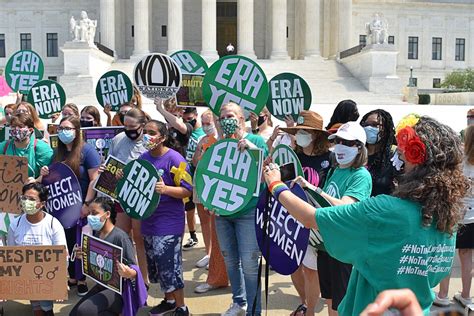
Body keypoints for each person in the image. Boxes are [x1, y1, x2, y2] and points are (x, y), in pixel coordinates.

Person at [263, 116, 468, 315]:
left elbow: (311, 217)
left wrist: (276, 185)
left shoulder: (385, 210)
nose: (399, 162)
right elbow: (435, 275)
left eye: (403, 158)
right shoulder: (447, 218)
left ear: (415, 158)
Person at [293, 121, 372, 315]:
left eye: (347, 142)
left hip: (344, 250)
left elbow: (345, 206)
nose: (340, 146)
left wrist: (314, 189)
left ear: (359, 148)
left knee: (342, 305)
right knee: (330, 300)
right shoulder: (335, 170)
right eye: (337, 141)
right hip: (326, 246)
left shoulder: (361, 175)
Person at [215, 102, 268, 316]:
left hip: (248, 212)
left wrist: (253, 150)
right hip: (222, 213)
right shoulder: (219, 144)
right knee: (230, 259)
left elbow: (267, 173)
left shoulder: (255, 140)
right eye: (222, 116)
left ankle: (254, 312)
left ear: (241, 119)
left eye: (230, 115)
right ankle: (239, 302)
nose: (226, 120)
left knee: (249, 263)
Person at [39, 115, 101, 296]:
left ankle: (82, 279)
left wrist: (87, 205)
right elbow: (51, 178)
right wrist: (44, 173)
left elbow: (94, 180)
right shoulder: (56, 152)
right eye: (60, 129)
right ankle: (72, 277)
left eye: (67, 128)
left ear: (77, 131)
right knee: (66, 242)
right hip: (62, 206)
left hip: (81, 206)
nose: (63, 132)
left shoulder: (87, 151)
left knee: (80, 243)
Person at [138, 120, 192, 316]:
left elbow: (188, 191)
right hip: (148, 221)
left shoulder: (175, 159)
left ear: (162, 137)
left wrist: (166, 189)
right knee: (157, 267)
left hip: (169, 223)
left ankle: (182, 307)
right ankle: (169, 301)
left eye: (151, 132)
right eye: (145, 132)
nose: (147, 136)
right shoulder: (143, 158)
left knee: (170, 265)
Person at [280, 111, 331, 316]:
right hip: (293, 221)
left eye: (305, 131)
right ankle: (304, 303)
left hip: (317, 223)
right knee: (294, 265)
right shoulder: (292, 157)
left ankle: (310, 309)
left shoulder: (331, 159)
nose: (300, 135)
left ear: (316, 135)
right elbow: (281, 186)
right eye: (298, 131)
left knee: (312, 271)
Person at [69, 197, 147, 316]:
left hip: (119, 291)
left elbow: (135, 270)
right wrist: (84, 255)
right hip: (102, 285)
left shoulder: (120, 237)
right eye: (89, 213)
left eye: (94, 213)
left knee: (84, 311)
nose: (90, 217)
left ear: (107, 214)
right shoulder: (96, 234)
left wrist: (128, 272)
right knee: (74, 314)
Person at [7, 182, 67, 316]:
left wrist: (60, 284)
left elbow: (63, 257)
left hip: (48, 277)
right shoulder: (15, 225)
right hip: (26, 277)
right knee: (37, 309)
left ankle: (47, 308)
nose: (26, 202)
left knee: (46, 307)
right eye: (24, 198)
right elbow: (10, 255)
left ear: (42, 204)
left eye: (32, 199)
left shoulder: (53, 225)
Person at [106, 108, 149, 285]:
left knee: (139, 238)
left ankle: (143, 280)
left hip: (140, 198)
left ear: (142, 125)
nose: (129, 129)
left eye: (133, 126)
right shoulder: (117, 140)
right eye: (126, 126)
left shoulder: (148, 143)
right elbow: (110, 164)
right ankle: (123, 277)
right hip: (120, 197)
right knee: (122, 237)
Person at [435, 124, 473, 308]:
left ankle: (443, 294)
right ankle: (466, 295)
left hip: (456, 212)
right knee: (467, 258)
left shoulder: (459, 160)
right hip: (473, 217)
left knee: (447, 255)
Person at [192, 110, 229, 293]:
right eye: (204, 122)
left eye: (211, 122)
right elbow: (195, 162)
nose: (207, 125)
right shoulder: (203, 140)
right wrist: (200, 147)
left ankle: (240, 289)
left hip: (230, 196)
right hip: (208, 188)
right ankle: (216, 275)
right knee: (211, 228)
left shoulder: (233, 139)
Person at [155, 98, 198, 249]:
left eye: (173, 112)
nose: (170, 115)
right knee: (176, 203)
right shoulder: (167, 128)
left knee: (189, 205)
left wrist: (162, 110)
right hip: (170, 169)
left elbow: (180, 126)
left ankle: (192, 234)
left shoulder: (184, 126)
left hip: (184, 170)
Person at [0, 113, 53, 179]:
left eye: (20, 126)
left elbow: (49, 175)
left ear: (30, 130)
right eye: (13, 126)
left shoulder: (43, 149)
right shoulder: (3, 147)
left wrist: (36, 180)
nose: (16, 129)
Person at [360, 109, 396, 196]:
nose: (368, 128)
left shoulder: (394, 157)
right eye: (365, 124)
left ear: (386, 129)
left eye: (374, 125)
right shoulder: (356, 154)